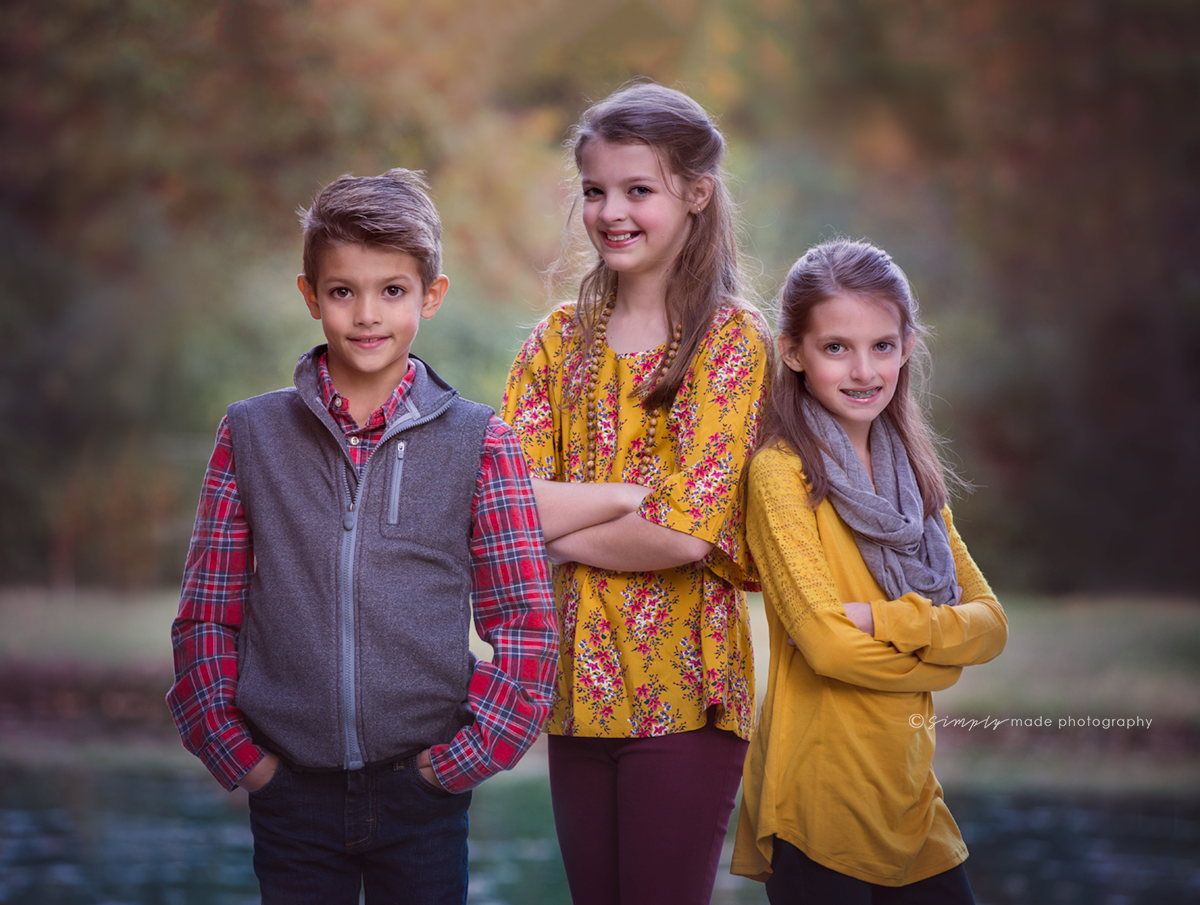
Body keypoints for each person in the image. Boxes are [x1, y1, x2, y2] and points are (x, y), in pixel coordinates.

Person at [166, 168, 558, 905]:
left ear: (431, 296)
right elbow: (205, 617)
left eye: (393, 290)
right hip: (288, 793)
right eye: (343, 291)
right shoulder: (250, 433)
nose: (368, 315)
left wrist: (459, 763)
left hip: (423, 794)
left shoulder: (481, 442)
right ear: (311, 295)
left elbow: (527, 625)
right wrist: (244, 761)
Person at [501, 82, 772, 904]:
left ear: (696, 194)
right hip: (572, 694)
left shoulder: (730, 342)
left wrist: (556, 526)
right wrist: (627, 496)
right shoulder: (557, 342)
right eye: (595, 190)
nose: (610, 211)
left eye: (637, 189)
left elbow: (683, 535)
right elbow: (503, 504)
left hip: (683, 695)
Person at [730, 239, 1008, 902]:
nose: (863, 370)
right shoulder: (781, 474)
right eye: (836, 347)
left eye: (881, 345)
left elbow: (993, 625)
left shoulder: (913, 480)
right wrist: (941, 662)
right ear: (793, 352)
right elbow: (827, 648)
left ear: (906, 347)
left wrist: (884, 621)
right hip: (821, 801)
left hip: (912, 801)